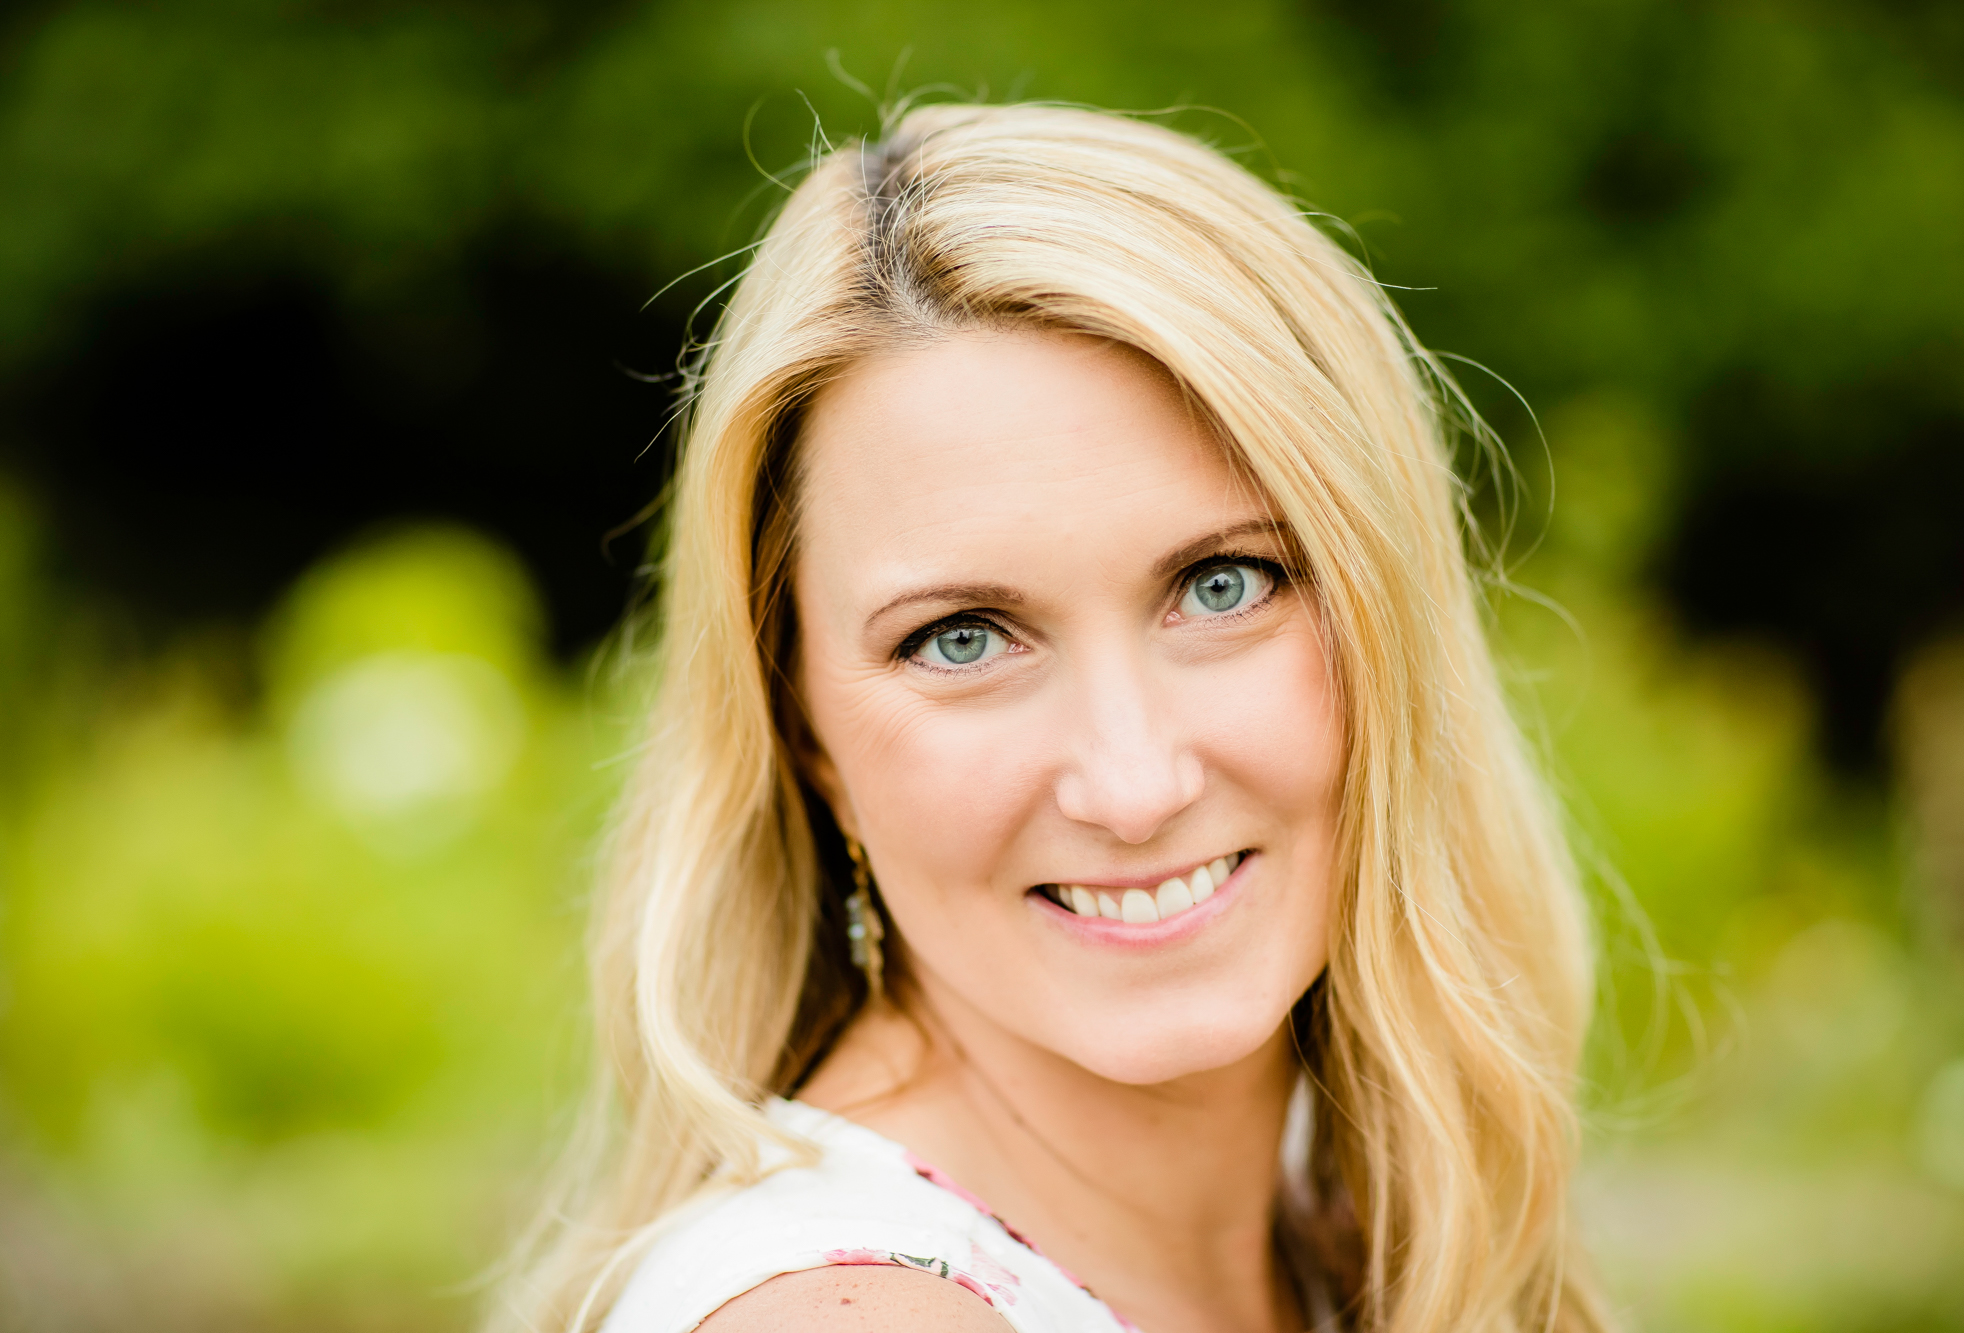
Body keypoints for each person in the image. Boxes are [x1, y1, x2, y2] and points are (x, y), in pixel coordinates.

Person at [495, 102, 1611, 1333]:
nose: (1131, 784)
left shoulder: (1342, 1247)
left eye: (1218, 584)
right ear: (797, 725)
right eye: (959, 639)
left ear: (1388, 607)